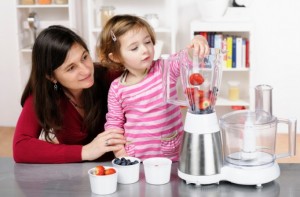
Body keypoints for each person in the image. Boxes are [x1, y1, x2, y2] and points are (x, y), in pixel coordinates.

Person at [97, 14, 209, 161]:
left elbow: (184, 59)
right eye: (134, 48)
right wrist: (121, 154)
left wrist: (198, 43)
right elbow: (114, 124)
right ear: (116, 57)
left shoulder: (164, 68)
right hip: (136, 158)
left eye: (147, 42)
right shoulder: (117, 88)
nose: (145, 50)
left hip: (172, 156)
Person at [13, 25, 126, 164]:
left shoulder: (109, 75)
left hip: (126, 166)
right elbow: (21, 147)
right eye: (71, 68)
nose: (86, 70)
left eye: (84, 57)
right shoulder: (44, 96)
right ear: (51, 76)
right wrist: (86, 151)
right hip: (78, 176)